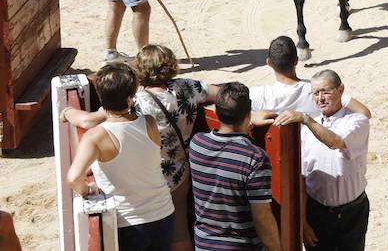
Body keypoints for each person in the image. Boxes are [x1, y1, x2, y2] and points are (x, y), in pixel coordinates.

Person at [63, 46, 220, 251]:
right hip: (179, 171)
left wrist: (67, 111)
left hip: (147, 176)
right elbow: (220, 93)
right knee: (180, 232)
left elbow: (87, 120)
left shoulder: (137, 101)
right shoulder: (188, 88)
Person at [65, 62, 176, 251]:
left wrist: (87, 190)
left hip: (127, 222)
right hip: (163, 214)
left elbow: (74, 177)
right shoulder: (148, 123)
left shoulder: (96, 136)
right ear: (131, 98)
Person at [273, 71, 369, 251]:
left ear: (340, 90)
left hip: (353, 213)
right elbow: (302, 179)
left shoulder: (357, 121)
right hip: (317, 214)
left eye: (325, 91)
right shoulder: (306, 131)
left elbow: (335, 142)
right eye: (315, 93)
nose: (320, 98)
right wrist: (302, 221)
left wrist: (305, 119)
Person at [188, 82, 283, 251]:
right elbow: (262, 217)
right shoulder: (254, 158)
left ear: (216, 112)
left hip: (204, 244)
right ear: (248, 116)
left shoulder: (197, 144)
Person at [251, 36, 372, 118]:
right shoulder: (317, 90)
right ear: (296, 61)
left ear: (269, 63)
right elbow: (364, 113)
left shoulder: (259, 95)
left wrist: (252, 118)